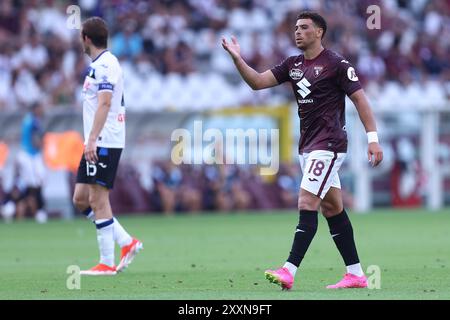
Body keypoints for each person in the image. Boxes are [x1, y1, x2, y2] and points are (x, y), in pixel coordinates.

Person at [222, 11, 383, 290]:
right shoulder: (292, 64)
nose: (297, 31)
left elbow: (360, 99)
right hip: (308, 146)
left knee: (307, 202)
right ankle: (356, 274)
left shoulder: (335, 63)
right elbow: (258, 83)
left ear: (319, 32)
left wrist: (373, 138)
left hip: (330, 144)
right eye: (296, 27)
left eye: (304, 27)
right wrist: (238, 59)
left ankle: (289, 270)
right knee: (332, 207)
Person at [73, 17, 143, 276]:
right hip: (95, 140)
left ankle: (106, 262)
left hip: (103, 140)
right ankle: (127, 242)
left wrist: (92, 138)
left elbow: (104, 103)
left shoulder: (105, 65)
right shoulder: (100, 65)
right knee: (80, 198)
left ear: (86, 39)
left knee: (98, 199)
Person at [16, 101, 47, 223]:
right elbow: (36, 139)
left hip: (29, 154)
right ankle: (38, 210)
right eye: (40, 108)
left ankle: (36, 210)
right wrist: (41, 145)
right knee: (35, 183)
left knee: (35, 182)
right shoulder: (34, 121)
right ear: (35, 109)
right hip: (30, 155)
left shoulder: (27, 119)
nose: (42, 110)